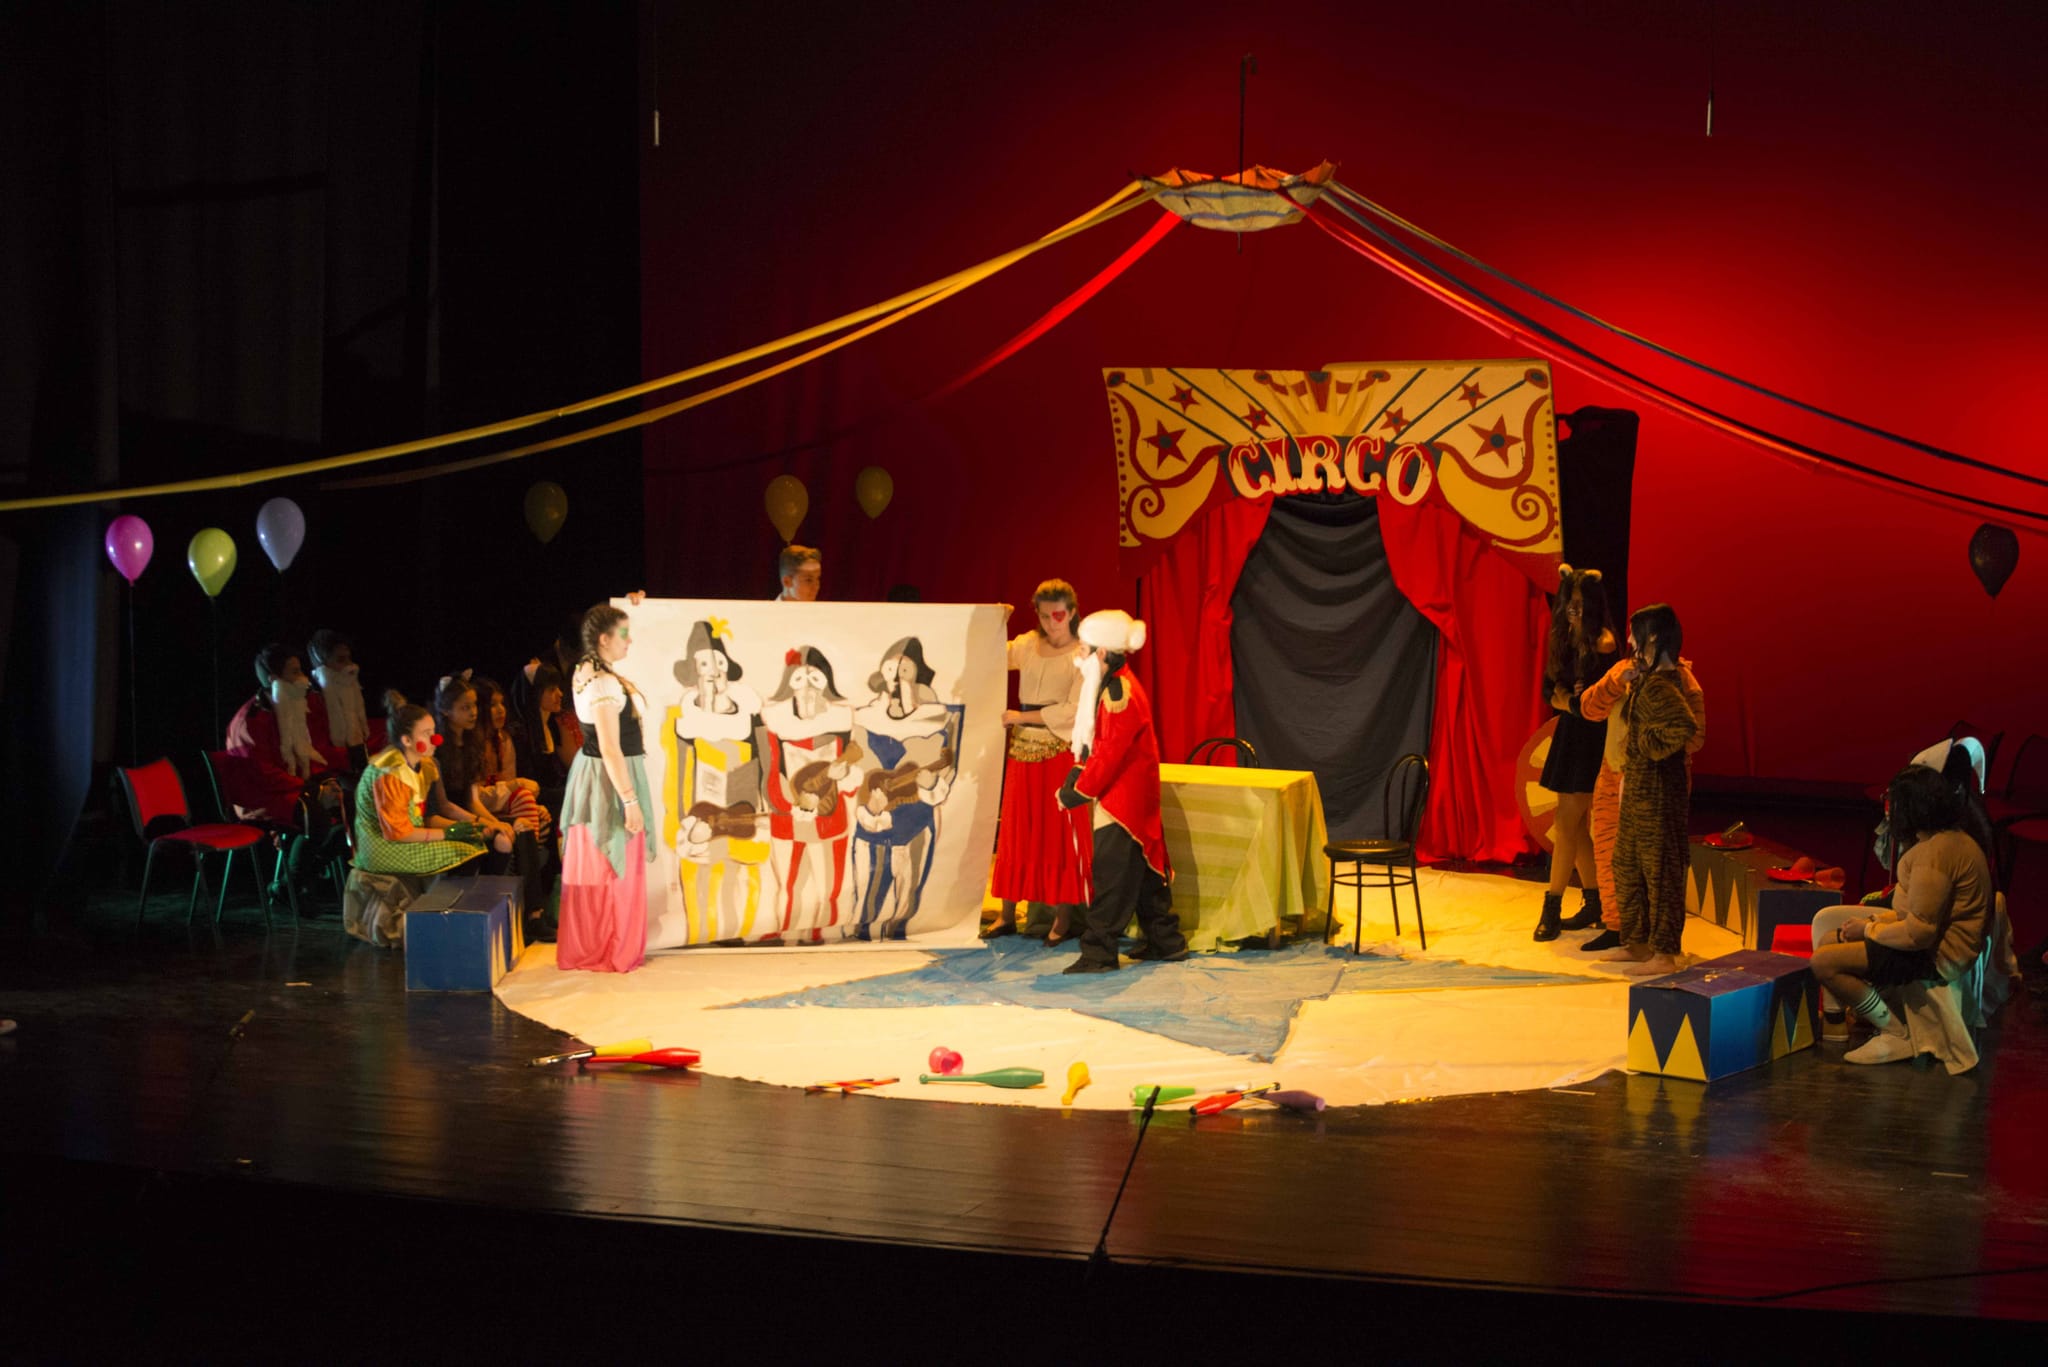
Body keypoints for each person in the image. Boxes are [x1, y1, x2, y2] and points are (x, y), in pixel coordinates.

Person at [1811, 764, 1993, 1065]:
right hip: (1933, 945)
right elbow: (1911, 914)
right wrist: (1871, 923)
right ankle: (1858, 1019)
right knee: (1832, 938)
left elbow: (1919, 934)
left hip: (1939, 957)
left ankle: (1895, 1033)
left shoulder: (1936, 854)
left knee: (1824, 963)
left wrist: (1868, 930)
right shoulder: (1945, 840)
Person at [1056, 610, 1186, 974]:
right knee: (1142, 873)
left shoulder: (1118, 692)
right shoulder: (1114, 683)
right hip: (1130, 795)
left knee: (1112, 877)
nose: (1077, 656)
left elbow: (1110, 753)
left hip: (1123, 801)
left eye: (1083, 649)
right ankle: (1165, 941)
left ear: (1101, 653)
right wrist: (1078, 774)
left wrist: (1078, 791)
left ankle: (1098, 953)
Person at [1575, 642, 1705, 954]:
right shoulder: (1623, 670)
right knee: (1611, 854)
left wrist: (1650, 754)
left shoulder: (1681, 679)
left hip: (1653, 780)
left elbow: (1693, 735)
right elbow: (1589, 708)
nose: (1633, 642)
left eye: (1640, 636)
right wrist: (1615, 683)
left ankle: (1657, 942)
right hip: (1613, 775)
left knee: (1654, 862)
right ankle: (1621, 927)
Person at [344, 691, 498, 946]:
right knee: (462, 851)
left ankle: (459, 919)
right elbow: (398, 832)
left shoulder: (422, 765)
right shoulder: (390, 772)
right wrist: (448, 834)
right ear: (406, 740)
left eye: (434, 731)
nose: (436, 738)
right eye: (427, 734)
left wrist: (471, 826)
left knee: (473, 845)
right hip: (382, 846)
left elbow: (425, 816)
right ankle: (440, 923)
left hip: (405, 837)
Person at [1596, 604, 1699, 977]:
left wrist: (1648, 745)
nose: (1628, 639)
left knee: (1660, 871)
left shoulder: (1663, 684)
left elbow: (1684, 728)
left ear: (1652, 636)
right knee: (1627, 863)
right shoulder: (1648, 679)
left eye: (1634, 632)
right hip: (1639, 786)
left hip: (1658, 791)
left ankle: (1664, 951)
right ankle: (1637, 941)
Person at [985, 580, 1091, 944]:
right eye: (1044, 616)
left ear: (1072, 613)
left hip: (1057, 749)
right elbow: (992, 655)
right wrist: (995, 622)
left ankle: (1062, 919)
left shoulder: (1082, 655)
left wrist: (1022, 717)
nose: (1051, 623)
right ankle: (1006, 914)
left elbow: (1073, 709)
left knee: (1056, 833)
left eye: (1058, 615)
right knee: (1017, 829)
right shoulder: (1028, 644)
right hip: (1022, 750)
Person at [558, 603, 656, 972]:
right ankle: (608, 948)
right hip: (609, 777)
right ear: (604, 639)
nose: (629, 641)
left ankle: (601, 945)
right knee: (612, 860)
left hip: (601, 771)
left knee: (602, 864)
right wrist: (629, 800)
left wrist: (632, 602)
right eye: (624, 634)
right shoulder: (601, 682)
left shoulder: (589, 669)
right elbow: (610, 746)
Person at [1534, 566, 1619, 942]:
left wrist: (1568, 701)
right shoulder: (1563, 638)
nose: (1573, 609)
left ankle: (1551, 907)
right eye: (1570, 602)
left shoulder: (1603, 642)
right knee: (1574, 823)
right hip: (1571, 732)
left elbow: (1594, 701)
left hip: (1593, 738)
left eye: (1581, 604)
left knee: (1567, 822)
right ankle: (1594, 902)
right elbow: (1550, 692)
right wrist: (1569, 702)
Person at [308, 629, 370, 771]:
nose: (349, 665)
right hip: (332, 767)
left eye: (349, 658)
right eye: (341, 660)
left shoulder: (351, 687)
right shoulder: (315, 698)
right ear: (322, 663)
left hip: (356, 755)